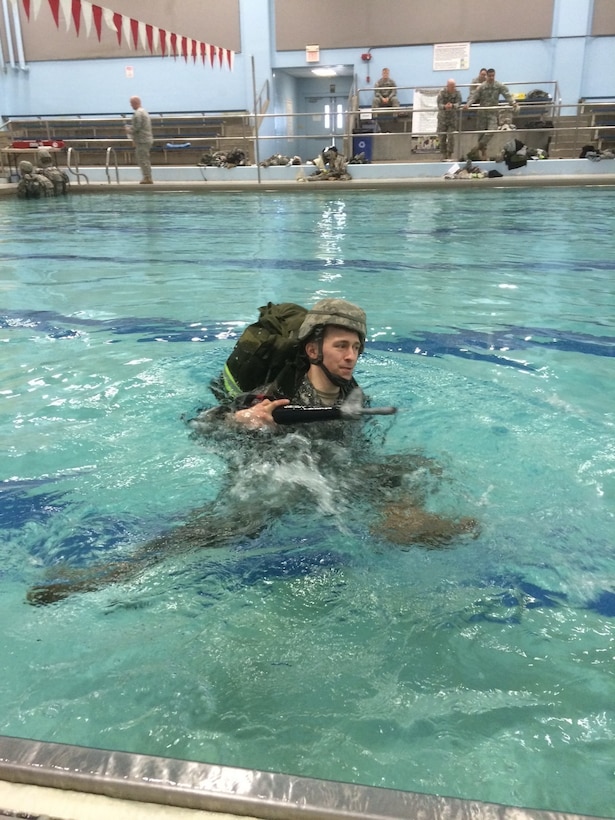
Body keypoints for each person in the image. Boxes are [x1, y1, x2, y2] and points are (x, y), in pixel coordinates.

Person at [26, 299, 477, 605]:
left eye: (356, 346)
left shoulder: (350, 394)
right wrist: (240, 420)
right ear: (313, 348)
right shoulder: (271, 393)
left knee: (416, 465)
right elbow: (200, 426)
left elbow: (355, 452)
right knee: (224, 527)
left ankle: (397, 520)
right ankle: (111, 571)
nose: (352, 355)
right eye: (342, 345)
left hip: (323, 475)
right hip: (272, 475)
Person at [465, 68, 518, 159]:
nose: (491, 78)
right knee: (481, 134)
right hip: (482, 112)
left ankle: (478, 147)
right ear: (487, 76)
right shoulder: (482, 86)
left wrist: (513, 103)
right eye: (489, 76)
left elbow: (507, 95)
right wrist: (468, 105)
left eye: (493, 76)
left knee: (492, 130)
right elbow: (474, 96)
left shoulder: (498, 85)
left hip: (492, 113)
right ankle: (483, 153)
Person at [126, 95, 154, 184]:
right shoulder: (144, 111)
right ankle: (147, 176)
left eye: (131, 103)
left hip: (142, 140)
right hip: (146, 139)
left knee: (142, 159)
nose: (131, 105)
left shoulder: (138, 113)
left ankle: (147, 177)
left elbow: (137, 127)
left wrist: (129, 130)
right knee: (144, 158)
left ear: (135, 103)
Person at [437, 79, 462, 161]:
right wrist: (445, 106)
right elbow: (439, 104)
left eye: (454, 86)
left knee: (451, 137)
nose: (453, 88)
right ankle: (443, 155)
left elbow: (459, 103)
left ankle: (449, 154)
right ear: (447, 86)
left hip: (452, 118)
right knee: (442, 137)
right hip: (442, 118)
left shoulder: (457, 93)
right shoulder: (442, 92)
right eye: (451, 86)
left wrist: (453, 106)